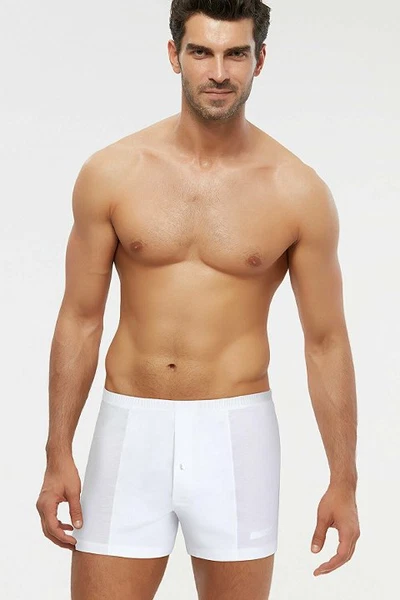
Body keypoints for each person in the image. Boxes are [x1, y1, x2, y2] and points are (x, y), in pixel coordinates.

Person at [36, 1, 360, 598]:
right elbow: (80, 318)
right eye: (201, 52)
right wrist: (58, 451)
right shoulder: (113, 173)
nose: (218, 72)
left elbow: (326, 341)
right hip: (130, 429)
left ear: (260, 60)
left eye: (236, 54)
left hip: (236, 436)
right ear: (174, 55)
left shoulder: (297, 191)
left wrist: (344, 478)